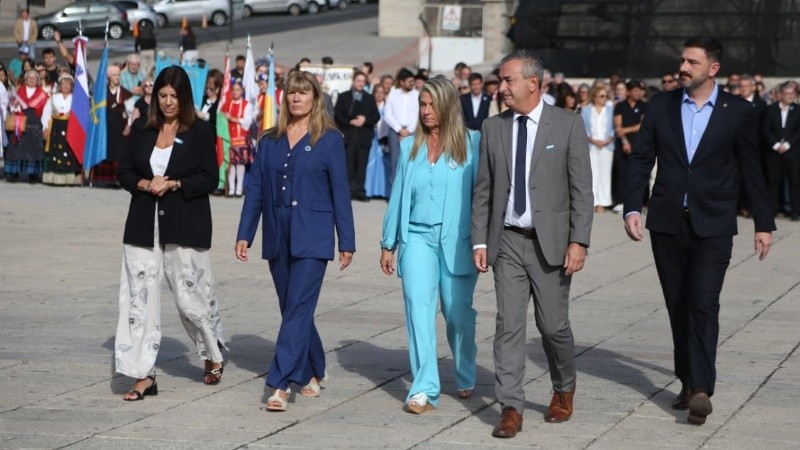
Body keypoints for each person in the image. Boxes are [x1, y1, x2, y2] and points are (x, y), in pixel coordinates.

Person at [623, 35, 775, 426]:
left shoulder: (738, 111)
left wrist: (763, 223)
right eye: (682, 60)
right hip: (667, 222)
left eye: (691, 61)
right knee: (678, 304)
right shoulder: (661, 105)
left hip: (714, 224)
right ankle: (688, 380)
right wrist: (631, 208)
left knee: (703, 303)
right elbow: (641, 158)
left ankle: (702, 388)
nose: (683, 67)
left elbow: (752, 169)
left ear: (713, 68)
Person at [471, 50, 593, 438]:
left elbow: (582, 191)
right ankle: (510, 405)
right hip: (507, 241)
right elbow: (484, 191)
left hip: (551, 244)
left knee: (553, 326)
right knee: (508, 324)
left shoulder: (567, 125)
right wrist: (479, 241)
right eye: (501, 81)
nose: (501, 87)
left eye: (508, 80)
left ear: (533, 83)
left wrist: (579, 241)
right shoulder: (493, 128)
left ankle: (563, 387)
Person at [235, 70, 356, 412]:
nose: (297, 98)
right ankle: (315, 369)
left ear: (315, 98)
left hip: (313, 236)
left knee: (298, 308)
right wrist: (245, 233)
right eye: (291, 93)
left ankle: (280, 382)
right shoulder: (270, 139)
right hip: (277, 234)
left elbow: (340, 193)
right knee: (293, 309)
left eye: (304, 93)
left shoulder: (329, 139)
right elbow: (255, 188)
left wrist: (346, 239)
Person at [115, 65, 226, 401]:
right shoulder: (141, 128)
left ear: (184, 98)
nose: (167, 102)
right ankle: (142, 373)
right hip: (142, 225)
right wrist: (144, 183)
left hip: (185, 222)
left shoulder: (200, 130)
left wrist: (176, 183)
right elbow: (124, 171)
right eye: (161, 96)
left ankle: (211, 353)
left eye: (173, 96)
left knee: (190, 296)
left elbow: (211, 178)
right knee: (139, 300)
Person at [380, 76, 480, 414]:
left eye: (431, 105)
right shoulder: (410, 147)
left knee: (457, 313)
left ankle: (465, 367)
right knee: (418, 307)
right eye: (421, 105)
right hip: (417, 238)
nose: (424, 111)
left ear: (448, 106)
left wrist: (484, 241)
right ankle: (424, 387)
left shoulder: (472, 143)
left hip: (458, 243)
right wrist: (388, 241)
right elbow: (398, 197)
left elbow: (482, 199)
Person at [334, 70, 380, 201]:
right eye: (358, 81)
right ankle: (347, 191)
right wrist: (350, 121)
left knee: (361, 165)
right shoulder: (344, 97)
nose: (360, 84)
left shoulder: (369, 98)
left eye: (363, 82)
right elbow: (338, 115)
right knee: (348, 165)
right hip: (348, 136)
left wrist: (365, 120)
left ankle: (359, 191)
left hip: (363, 136)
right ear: (353, 81)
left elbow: (376, 116)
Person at [761, 81, 800, 220]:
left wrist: (788, 145)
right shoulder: (770, 109)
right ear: (781, 94)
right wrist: (777, 145)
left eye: (793, 93)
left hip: (792, 153)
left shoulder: (798, 109)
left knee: (794, 183)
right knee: (772, 183)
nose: (791, 96)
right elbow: (765, 129)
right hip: (773, 153)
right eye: (788, 93)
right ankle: (771, 211)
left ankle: (795, 212)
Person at [5, 70, 48, 183]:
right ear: (26, 79)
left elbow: (45, 109)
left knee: (34, 149)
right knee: (16, 147)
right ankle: (13, 173)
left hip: (35, 124)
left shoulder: (42, 94)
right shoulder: (19, 92)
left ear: (37, 80)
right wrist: (15, 106)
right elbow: (12, 105)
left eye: (34, 78)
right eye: (29, 78)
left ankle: (33, 174)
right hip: (21, 122)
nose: (32, 80)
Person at [93, 65, 133, 186]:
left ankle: (118, 179)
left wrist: (129, 126)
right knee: (105, 150)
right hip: (105, 128)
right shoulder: (101, 92)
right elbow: (95, 109)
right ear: (109, 77)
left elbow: (131, 112)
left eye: (118, 75)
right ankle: (103, 180)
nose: (117, 77)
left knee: (118, 152)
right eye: (115, 75)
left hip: (119, 127)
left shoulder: (125, 93)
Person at [612, 80, 646, 213]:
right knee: (621, 174)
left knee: (637, 175)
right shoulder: (620, 106)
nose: (638, 93)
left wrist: (626, 130)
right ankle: (620, 201)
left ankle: (639, 202)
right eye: (636, 91)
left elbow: (642, 125)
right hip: (623, 144)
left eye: (640, 90)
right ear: (629, 92)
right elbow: (618, 127)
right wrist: (625, 141)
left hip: (639, 144)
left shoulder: (644, 105)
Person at [41, 74, 81, 185]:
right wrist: (45, 127)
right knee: (56, 151)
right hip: (56, 129)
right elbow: (46, 113)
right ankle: (54, 177)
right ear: (59, 86)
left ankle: (70, 177)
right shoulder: (53, 98)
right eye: (63, 84)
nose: (66, 86)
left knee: (69, 152)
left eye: (68, 84)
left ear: (72, 86)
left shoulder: (76, 98)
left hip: (70, 127)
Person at [384, 68, 419, 191]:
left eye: (413, 81)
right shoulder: (393, 94)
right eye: (409, 81)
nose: (412, 83)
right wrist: (400, 130)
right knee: (394, 161)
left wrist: (408, 131)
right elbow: (387, 115)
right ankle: (394, 190)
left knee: (410, 160)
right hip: (395, 131)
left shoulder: (417, 95)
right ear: (402, 82)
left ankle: (408, 189)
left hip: (412, 131)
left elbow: (417, 114)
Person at [581, 86, 615, 212]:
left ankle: (603, 202)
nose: (604, 98)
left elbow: (613, 127)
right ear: (594, 97)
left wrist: (608, 139)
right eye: (601, 96)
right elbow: (584, 127)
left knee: (605, 174)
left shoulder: (610, 109)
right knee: (592, 173)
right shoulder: (586, 110)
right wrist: (592, 140)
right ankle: (593, 201)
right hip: (591, 145)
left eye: (606, 96)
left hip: (607, 145)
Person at [221, 80, 255, 197]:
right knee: (231, 163)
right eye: (233, 90)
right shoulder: (228, 103)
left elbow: (247, 121)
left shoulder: (247, 104)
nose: (235, 92)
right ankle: (231, 188)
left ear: (242, 91)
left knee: (240, 164)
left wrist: (232, 118)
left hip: (241, 138)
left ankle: (239, 188)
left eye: (237, 90)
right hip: (229, 138)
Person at [364, 84, 390, 198]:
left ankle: (382, 191)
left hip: (383, 138)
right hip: (372, 136)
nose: (379, 95)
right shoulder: (369, 106)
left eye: (381, 92)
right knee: (370, 163)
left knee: (383, 164)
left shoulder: (388, 107)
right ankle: (369, 190)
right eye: (377, 92)